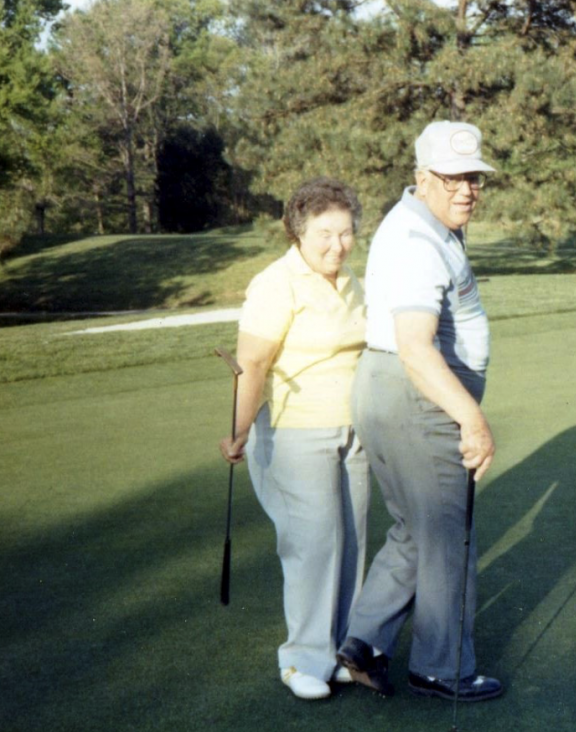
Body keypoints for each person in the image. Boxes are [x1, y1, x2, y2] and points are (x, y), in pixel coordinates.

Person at [335, 120, 503, 702]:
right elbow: (416, 346)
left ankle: (362, 642)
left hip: (394, 391)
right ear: (422, 178)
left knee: (415, 530)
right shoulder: (416, 240)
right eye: (453, 177)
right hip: (417, 397)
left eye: (475, 178)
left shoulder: (427, 225)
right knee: (448, 538)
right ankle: (441, 668)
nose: (467, 189)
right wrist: (473, 419)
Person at [219, 177, 369, 701]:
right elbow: (253, 363)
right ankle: (302, 660)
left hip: (356, 430)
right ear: (299, 232)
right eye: (326, 233)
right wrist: (238, 432)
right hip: (294, 430)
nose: (338, 244)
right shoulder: (275, 283)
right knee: (313, 546)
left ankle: (342, 652)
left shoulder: (351, 280)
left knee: (351, 541)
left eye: (347, 233)